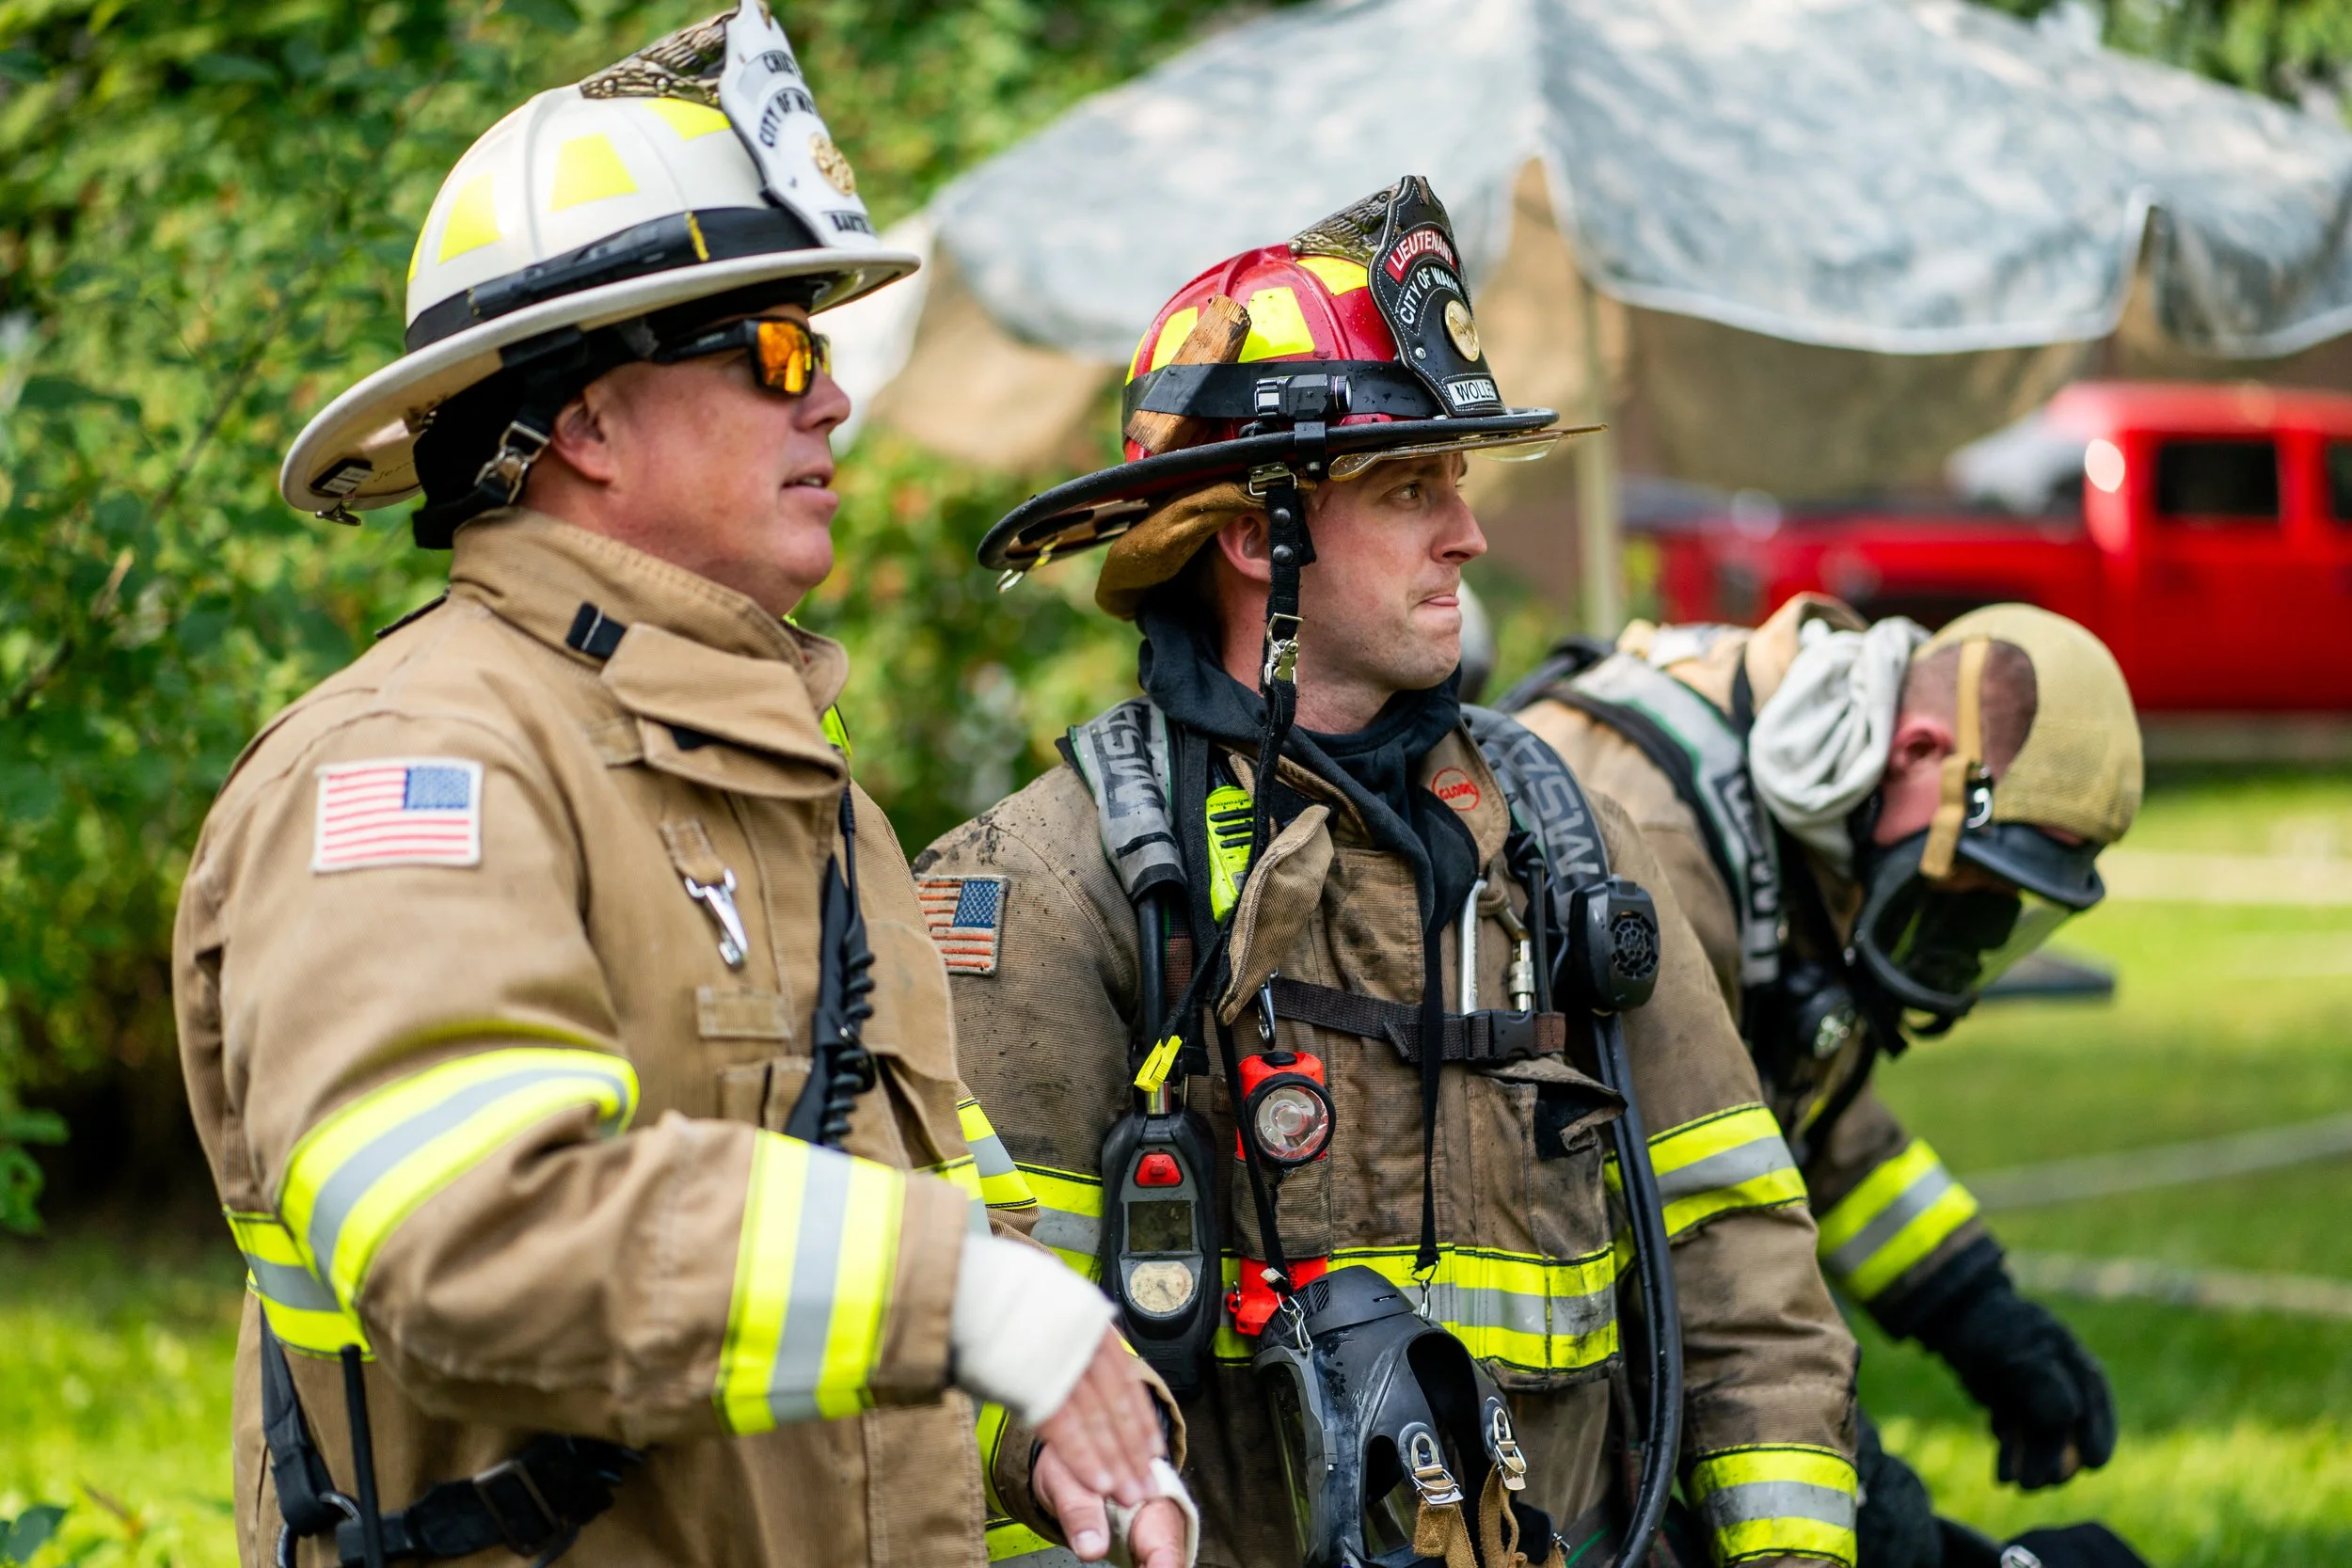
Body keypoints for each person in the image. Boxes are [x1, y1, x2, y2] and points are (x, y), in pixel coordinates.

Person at [172, 11, 1190, 1567]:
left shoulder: (808, 796)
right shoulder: (418, 763)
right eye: (776, 346)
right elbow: (470, 1240)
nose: (832, 399)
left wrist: (1047, 1424)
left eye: (825, 351)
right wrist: (972, 1302)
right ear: (580, 418)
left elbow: (892, 1272)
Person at [914, 179, 1864, 1568]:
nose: (1467, 536)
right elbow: (971, 1342)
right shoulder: (1058, 888)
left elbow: (1739, 1258)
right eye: (1409, 488)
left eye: (1457, 485)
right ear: (1257, 539)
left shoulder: (1571, 848)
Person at [1501, 594, 2144, 1568]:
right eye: (1978, 873)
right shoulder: (1666, 836)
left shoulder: (1814, 798)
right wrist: (1843, 1472)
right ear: (1923, 748)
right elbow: (1674, 1196)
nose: (1973, 913)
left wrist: (1974, 1306)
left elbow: (1790, 1110)